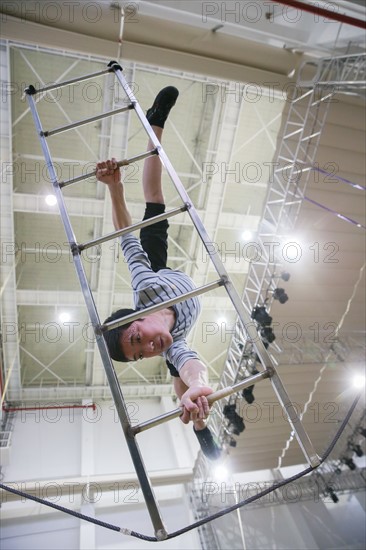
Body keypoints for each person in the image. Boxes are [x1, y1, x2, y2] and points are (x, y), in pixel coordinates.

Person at [96, 87, 221, 460]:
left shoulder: (143, 286)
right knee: (182, 386)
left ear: (136, 319)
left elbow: (124, 237)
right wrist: (200, 385)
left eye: (139, 338)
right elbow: (191, 363)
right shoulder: (173, 341)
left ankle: (156, 121)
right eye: (140, 355)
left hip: (160, 272)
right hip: (176, 321)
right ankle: (201, 426)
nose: (150, 348)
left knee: (155, 197)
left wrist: (115, 188)